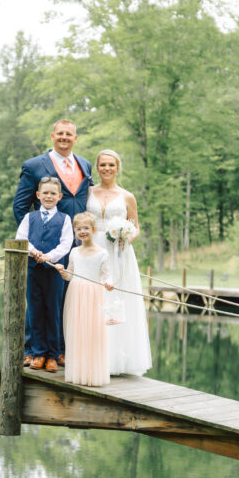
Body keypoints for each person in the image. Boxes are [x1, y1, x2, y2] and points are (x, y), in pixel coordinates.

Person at [13, 118, 92, 364]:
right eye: (60, 133)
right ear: (52, 136)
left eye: (69, 134)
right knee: (37, 299)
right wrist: (35, 243)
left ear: (75, 138)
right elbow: (20, 208)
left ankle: (60, 350)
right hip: (43, 248)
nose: (64, 137)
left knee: (66, 300)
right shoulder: (34, 165)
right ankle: (31, 350)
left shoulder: (85, 165)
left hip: (76, 246)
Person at [86, 149, 152, 376]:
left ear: (118, 167)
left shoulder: (127, 196)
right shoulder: (88, 193)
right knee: (93, 299)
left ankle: (118, 360)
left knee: (117, 300)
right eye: (102, 165)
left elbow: (136, 226)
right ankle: (92, 356)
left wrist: (126, 237)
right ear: (97, 167)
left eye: (111, 165)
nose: (106, 169)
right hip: (92, 250)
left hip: (118, 252)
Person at [16, 176, 73, 373]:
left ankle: (52, 355)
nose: (49, 196)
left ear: (60, 196)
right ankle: (38, 353)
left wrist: (48, 256)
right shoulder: (29, 218)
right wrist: (35, 252)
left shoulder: (65, 219)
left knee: (53, 311)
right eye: (45, 193)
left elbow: (66, 244)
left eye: (53, 193)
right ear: (38, 195)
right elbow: (21, 238)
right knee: (35, 310)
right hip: (33, 270)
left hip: (54, 272)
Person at [56, 212, 113, 387]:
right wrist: (62, 271)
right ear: (75, 231)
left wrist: (108, 283)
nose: (82, 231)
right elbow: (70, 276)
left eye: (86, 228)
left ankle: (93, 375)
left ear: (94, 230)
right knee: (78, 332)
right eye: (79, 228)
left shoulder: (102, 253)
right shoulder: (74, 252)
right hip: (76, 294)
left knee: (93, 333)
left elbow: (106, 276)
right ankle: (78, 373)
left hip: (94, 296)